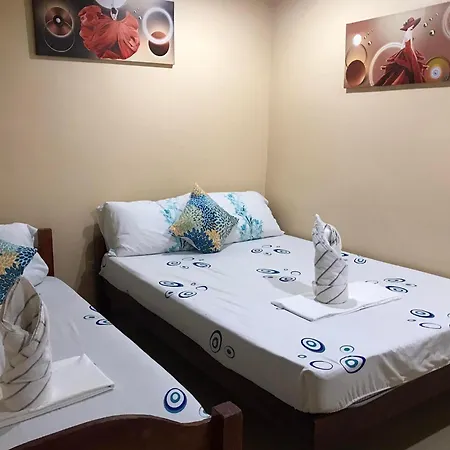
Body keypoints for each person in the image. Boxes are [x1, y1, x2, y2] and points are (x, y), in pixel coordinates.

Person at [375, 17, 428, 86]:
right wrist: (411, 54)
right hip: (407, 52)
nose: (413, 26)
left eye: (413, 25)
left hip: (408, 51)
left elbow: (407, 44)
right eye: (412, 25)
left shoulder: (409, 32)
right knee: (406, 69)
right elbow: (407, 44)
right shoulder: (408, 32)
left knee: (406, 69)